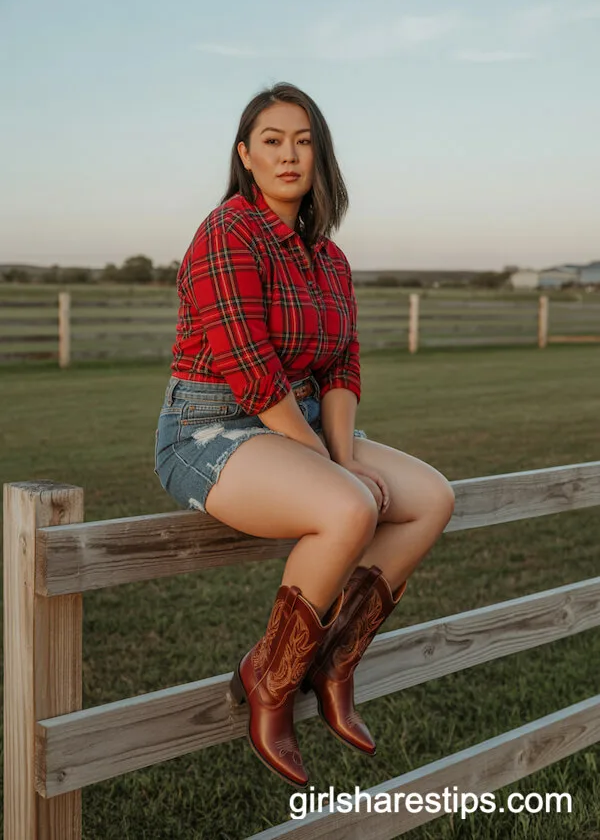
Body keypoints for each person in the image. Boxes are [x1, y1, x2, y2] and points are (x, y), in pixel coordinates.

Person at [155, 82, 455, 788]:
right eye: (272, 140)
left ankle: (334, 662)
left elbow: (342, 367)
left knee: (432, 497)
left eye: (303, 140)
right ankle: (271, 679)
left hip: (301, 425)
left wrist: (343, 454)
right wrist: (339, 475)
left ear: (320, 156)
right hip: (209, 431)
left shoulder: (330, 261)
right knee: (349, 508)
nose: (289, 154)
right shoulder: (226, 232)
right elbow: (255, 376)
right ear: (246, 156)